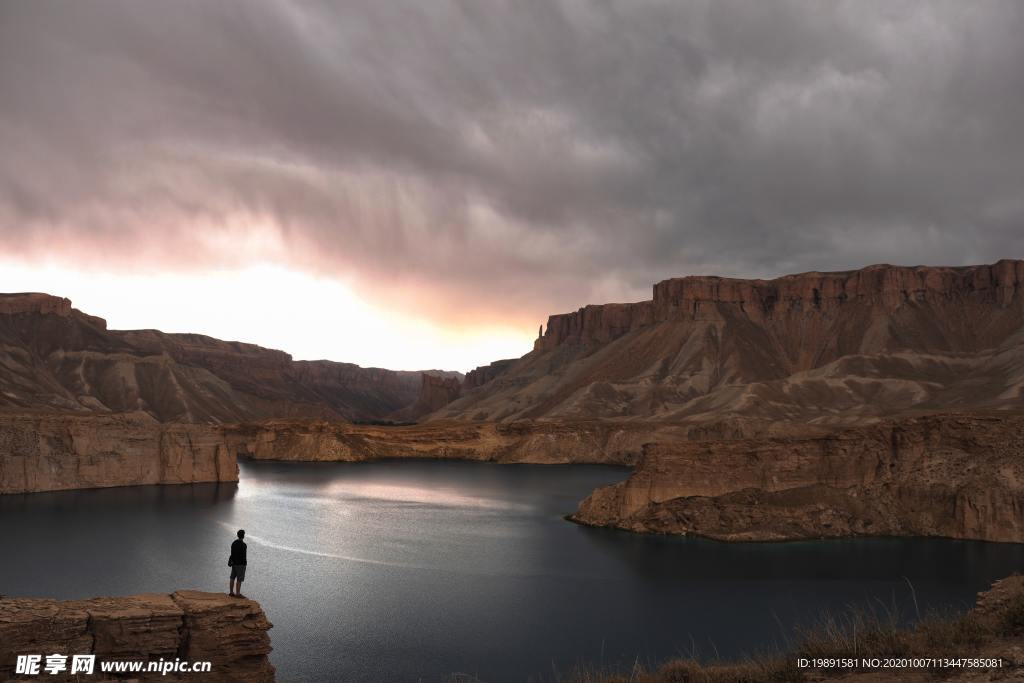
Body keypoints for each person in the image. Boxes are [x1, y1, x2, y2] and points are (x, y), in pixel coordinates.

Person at [228, 529, 247, 598]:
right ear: (243, 536)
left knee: (232, 577)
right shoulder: (244, 545)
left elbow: (232, 553)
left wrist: (232, 561)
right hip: (241, 565)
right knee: (239, 579)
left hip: (234, 563)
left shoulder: (234, 543)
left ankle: (231, 592)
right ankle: (238, 594)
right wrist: (245, 564)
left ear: (237, 535)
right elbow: (244, 556)